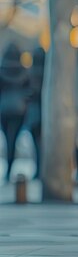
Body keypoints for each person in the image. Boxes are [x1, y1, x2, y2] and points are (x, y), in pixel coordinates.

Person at [0, 43, 30, 182]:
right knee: (13, 138)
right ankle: (10, 165)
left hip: (4, 109)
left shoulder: (2, 70)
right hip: (19, 109)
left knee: (8, 139)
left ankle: (9, 166)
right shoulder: (23, 71)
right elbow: (29, 91)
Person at [25, 47, 45, 179]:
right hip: (43, 116)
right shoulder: (47, 72)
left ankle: (38, 169)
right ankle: (41, 169)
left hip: (33, 115)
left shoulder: (30, 74)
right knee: (42, 145)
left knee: (36, 145)